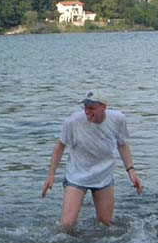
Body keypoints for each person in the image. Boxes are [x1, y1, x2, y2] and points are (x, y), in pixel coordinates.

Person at [42, 90, 143, 232]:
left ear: (104, 107)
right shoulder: (73, 122)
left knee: (106, 224)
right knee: (67, 225)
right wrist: (51, 174)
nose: (87, 112)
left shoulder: (117, 119)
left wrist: (131, 171)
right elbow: (60, 146)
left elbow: (122, 144)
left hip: (103, 175)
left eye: (91, 108)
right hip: (77, 175)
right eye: (85, 107)